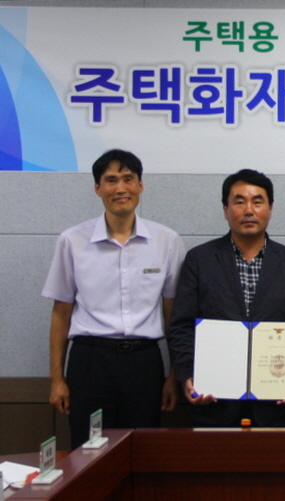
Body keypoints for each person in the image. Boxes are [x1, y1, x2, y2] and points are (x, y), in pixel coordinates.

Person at [42, 149, 184, 449]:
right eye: (111, 180)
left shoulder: (167, 241)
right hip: (90, 362)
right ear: (98, 188)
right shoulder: (72, 241)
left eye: (128, 179)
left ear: (140, 185)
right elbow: (61, 314)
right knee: (88, 452)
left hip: (145, 362)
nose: (121, 188)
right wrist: (57, 379)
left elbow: (173, 314)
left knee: (143, 450)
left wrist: (173, 376)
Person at [167, 169, 285, 427]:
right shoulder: (199, 260)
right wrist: (187, 376)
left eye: (257, 201)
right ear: (225, 209)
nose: (249, 210)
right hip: (214, 403)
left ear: (270, 208)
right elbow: (181, 326)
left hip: (277, 403)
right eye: (239, 202)